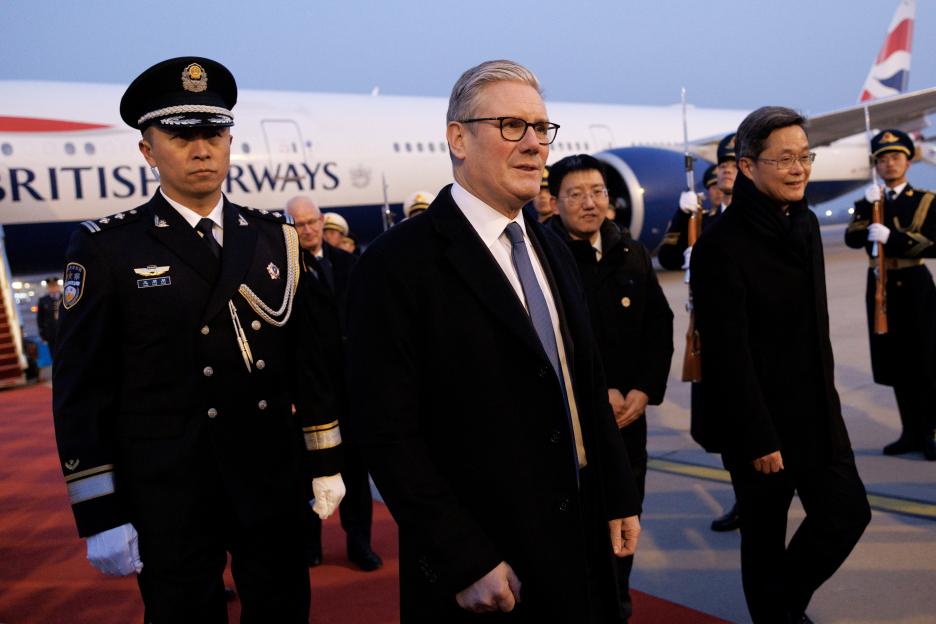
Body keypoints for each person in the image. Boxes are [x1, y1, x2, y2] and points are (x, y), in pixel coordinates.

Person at [346, 59, 641, 623]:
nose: (534, 144)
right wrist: (462, 557)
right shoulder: (396, 266)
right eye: (511, 126)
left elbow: (584, 382)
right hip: (488, 565)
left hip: (580, 535)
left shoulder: (550, 248)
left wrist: (617, 491)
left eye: (541, 128)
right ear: (458, 138)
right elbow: (386, 434)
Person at [52, 57, 345, 623]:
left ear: (230, 141)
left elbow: (313, 363)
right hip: (169, 489)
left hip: (269, 477)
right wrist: (99, 512)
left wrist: (326, 459)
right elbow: (81, 388)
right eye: (181, 135)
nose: (201, 149)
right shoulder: (107, 249)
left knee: (283, 610)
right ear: (147, 150)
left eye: (213, 134)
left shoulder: (274, 239)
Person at [691, 106, 871, 623]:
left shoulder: (807, 223)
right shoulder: (720, 247)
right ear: (747, 167)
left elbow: (816, 331)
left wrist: (831, 410)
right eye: (784, 158)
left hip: (816, 414)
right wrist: (756, 436)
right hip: (761, 427)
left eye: (804, 156)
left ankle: (779, 609)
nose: (799, 168)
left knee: (846, 514)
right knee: (764, 538)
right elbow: (728, 355)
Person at [546, 153, 673, 622]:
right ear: (554, 201)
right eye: (575, 194)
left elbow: (658, 327)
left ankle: (618, 602)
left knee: (626, 513)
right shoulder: (542, 255)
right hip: (571, 420)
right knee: (574, 523)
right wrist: (593, 393)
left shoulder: (630, 251)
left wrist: (643, 390)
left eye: (597, 192)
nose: (589, 203)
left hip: (626, 419)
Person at [286, 196, 383, 570]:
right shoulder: (284, 272)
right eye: (299, 224)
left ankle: (360, 543)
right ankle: (310, 543)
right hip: (310, 391)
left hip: (352, 387)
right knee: (311, 470)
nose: (308, 230)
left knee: (357, 472)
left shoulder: (349, 262)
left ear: (322, 221)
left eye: (312, 222)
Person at [659, 133, 743, 532]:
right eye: (720, 168)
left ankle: (751, 497)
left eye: (731, 165)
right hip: (706, 331)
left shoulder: (749, 217)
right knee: (716, 423)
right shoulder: (702, 221)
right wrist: (681, 216)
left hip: (741, 331)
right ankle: (744, 492)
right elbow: (670, 257)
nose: (725, 171)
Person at [844, 129, 936, 461]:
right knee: (895, 361)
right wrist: (869, 210)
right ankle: (909, 432)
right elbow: (853, 239)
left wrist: (893, 237)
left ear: (908, 161)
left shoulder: (926, 200)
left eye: (895, 158)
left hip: (914, 283)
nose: (888, 164)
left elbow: (933, 243)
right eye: (882, 160)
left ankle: (932, 432)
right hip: (881, 285)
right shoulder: (869, 202)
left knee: (926, 361)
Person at [657, 133, 736, 271]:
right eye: (722, 166)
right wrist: (682, 213)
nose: (727, 170)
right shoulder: (704, 223)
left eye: (735, 166)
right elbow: (667, 258)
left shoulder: (760, 217)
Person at [36, 277, 62, 354]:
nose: (53, 288)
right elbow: (40, 318)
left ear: (58, 286)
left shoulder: (65, 297)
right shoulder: (43, 300)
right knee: (54, 353)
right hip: (50, 333)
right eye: (50, 286)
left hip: (65, 330)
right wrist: (42, 334)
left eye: (54, 285)